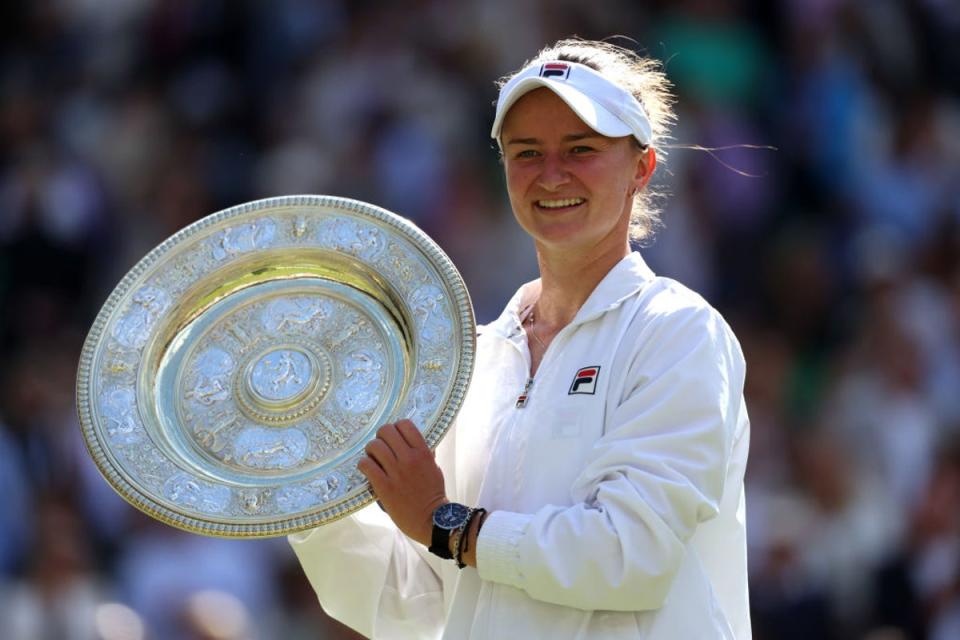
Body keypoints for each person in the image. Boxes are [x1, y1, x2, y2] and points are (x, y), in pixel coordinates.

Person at [289, 38, 751, 639]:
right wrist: (302, 489)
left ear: (642, 167)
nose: (551, 174)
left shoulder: (678, 331)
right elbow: (417, 604)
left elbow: (630, 557)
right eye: (526, 152)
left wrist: (445, 522)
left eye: (580, 149)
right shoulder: (472, 360)